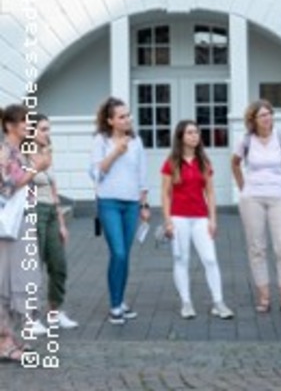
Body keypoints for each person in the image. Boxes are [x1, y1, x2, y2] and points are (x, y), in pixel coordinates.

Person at [231, 100, 281, 315]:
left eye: (269, 114)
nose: (267, 118)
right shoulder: (245, 140)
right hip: (253, 198)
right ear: (253, 119)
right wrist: (244, 188)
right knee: (257, 247)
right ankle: (264, 297)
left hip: (279, 196)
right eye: (262, 115)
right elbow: (234, 163)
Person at [161, 120, 234, 319]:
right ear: (181, 137)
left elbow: (210, 192)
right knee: (181, 259)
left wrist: (213, 219)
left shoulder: (204, 162)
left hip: (200, 217)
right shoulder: (171, 163)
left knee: (210, 259)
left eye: (196, 132)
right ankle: (186, 302)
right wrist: (167, 220)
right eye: (190, 133)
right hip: (178, 218)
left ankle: (218, 302)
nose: (194, 136)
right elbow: (165, 194)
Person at [90, 97, 150, 325]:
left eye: (128, 115)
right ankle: (115, 307)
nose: (127, 119)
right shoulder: (101, 141)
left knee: (125, 255)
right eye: (122, 116)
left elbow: (142, 176)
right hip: (109, 203)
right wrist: (116, 152)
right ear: (110, 121)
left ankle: (120, 299)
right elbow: (96, 173)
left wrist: (144, 205)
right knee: (119, 253)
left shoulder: (136, 141)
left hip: (132, 204)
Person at [0, 105, 50, 362]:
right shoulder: (4, 151)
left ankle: (9, 337)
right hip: (8, 226)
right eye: (23, 122)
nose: (27, 126)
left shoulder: (18, 151)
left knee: (19, 278)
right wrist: (35, 169)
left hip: (20, 222)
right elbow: (6, 188)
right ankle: (4, 341)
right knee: (7, 280)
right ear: (9, 125)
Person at [29, 114, 78, 330]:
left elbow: (54, 188)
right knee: (33, 267)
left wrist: (61, 222)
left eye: (49, 129)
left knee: (59, 265)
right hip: (33, 210)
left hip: (50, 212)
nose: (47, 134)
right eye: (43, 129)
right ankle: (29, 317)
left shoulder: (48, 154)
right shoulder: (25, 155)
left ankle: (54, 311)